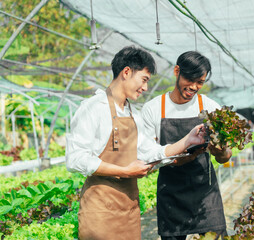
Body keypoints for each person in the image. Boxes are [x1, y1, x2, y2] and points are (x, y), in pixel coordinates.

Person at [65, 46, 206, 240]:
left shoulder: (133, 115)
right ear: (126, 72)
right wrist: (124, 172)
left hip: (129, 210)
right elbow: (75, 159)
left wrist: (188, 140)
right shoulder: (94, 108)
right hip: (100, 212)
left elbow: (150, 152)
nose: (146, 88)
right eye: (144, 80)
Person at [141, 51, 232, 240]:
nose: (194, 87)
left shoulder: (209, 106)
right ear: (177, 71)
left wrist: (220, 150)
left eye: (200, 82)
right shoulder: (153, 109)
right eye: (190, 79)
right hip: (171, 192)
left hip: (205, 191)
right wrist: (179, 158)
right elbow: (148, 157)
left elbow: (225, 157)